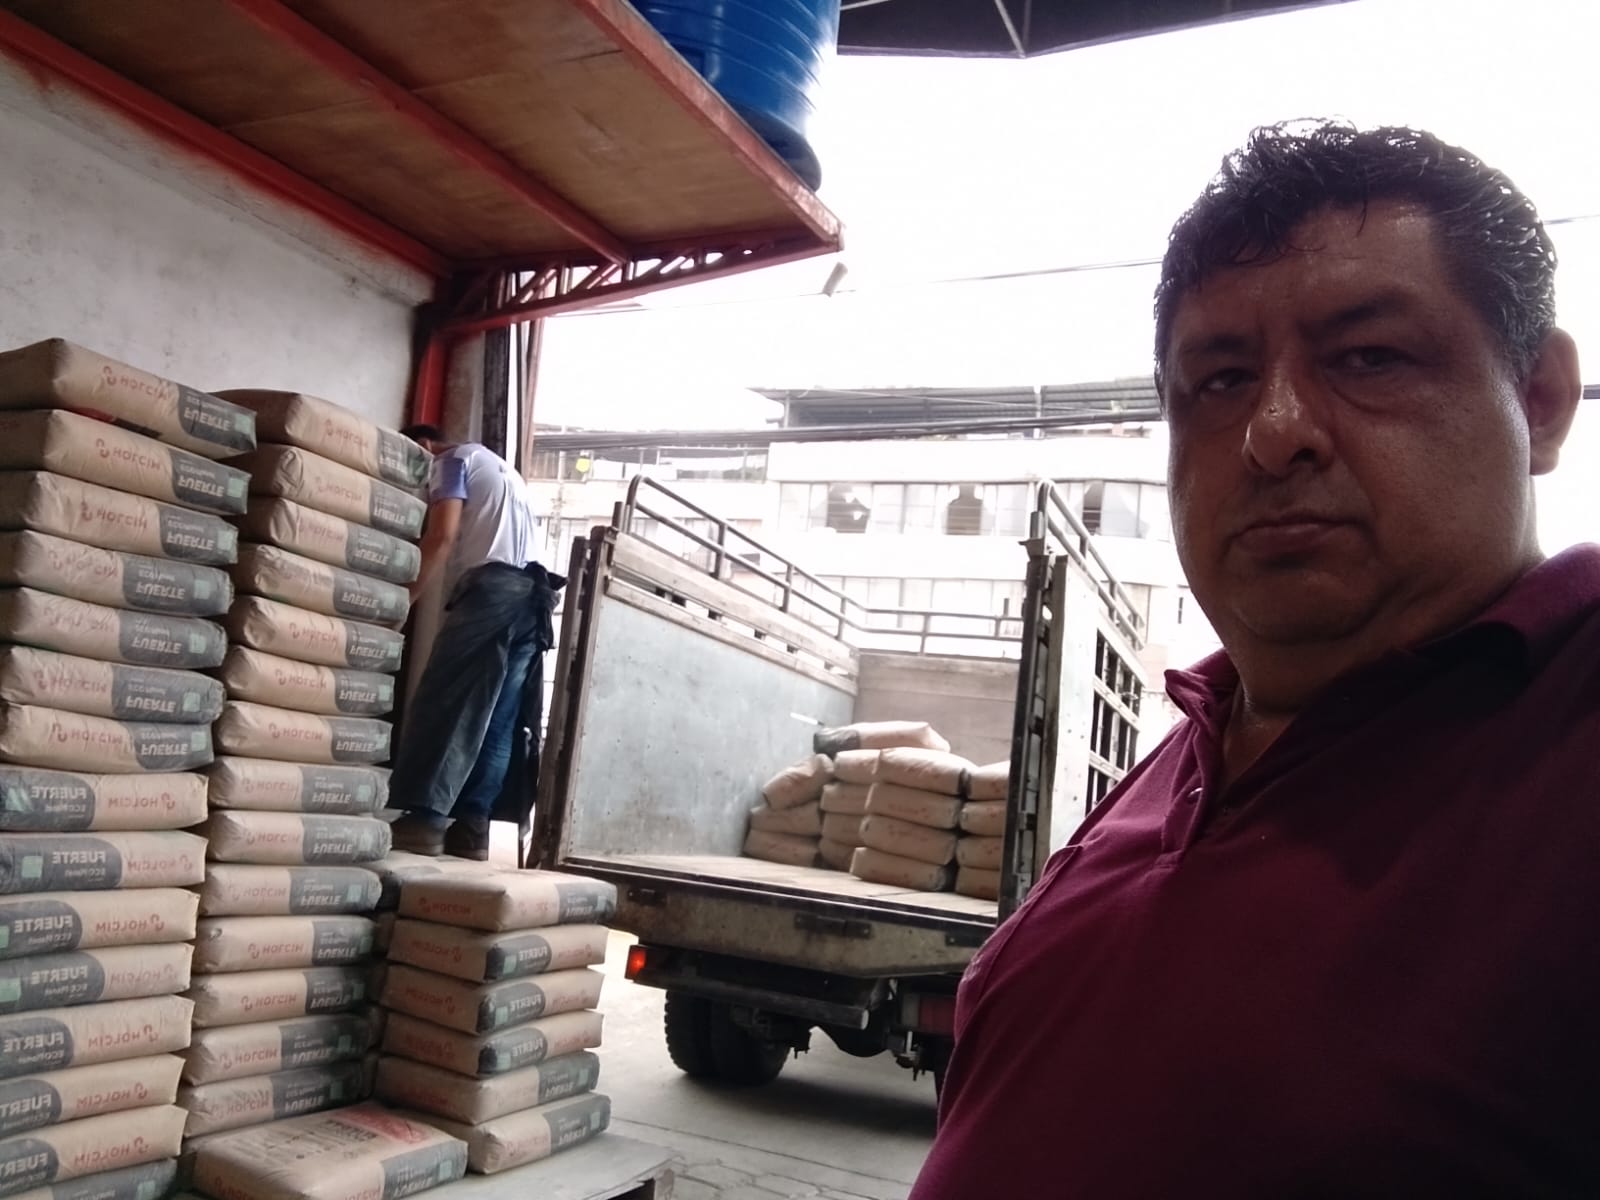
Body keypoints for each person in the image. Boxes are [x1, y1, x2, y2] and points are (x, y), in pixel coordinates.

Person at [911, 121, 1593, 1196]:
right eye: (1221, 379)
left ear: (1540, 400)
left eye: (1369, 357)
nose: (1273, 433)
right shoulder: (1178, 761)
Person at [388, 425, 563, 860]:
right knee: (498, 719)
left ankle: (425, 821)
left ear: (423, 446)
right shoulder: (507, 472)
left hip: (493, 592)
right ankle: (471, 830)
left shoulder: (451, 461)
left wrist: (402, 601)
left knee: (449, 702)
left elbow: (442, 536)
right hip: (535, 597)